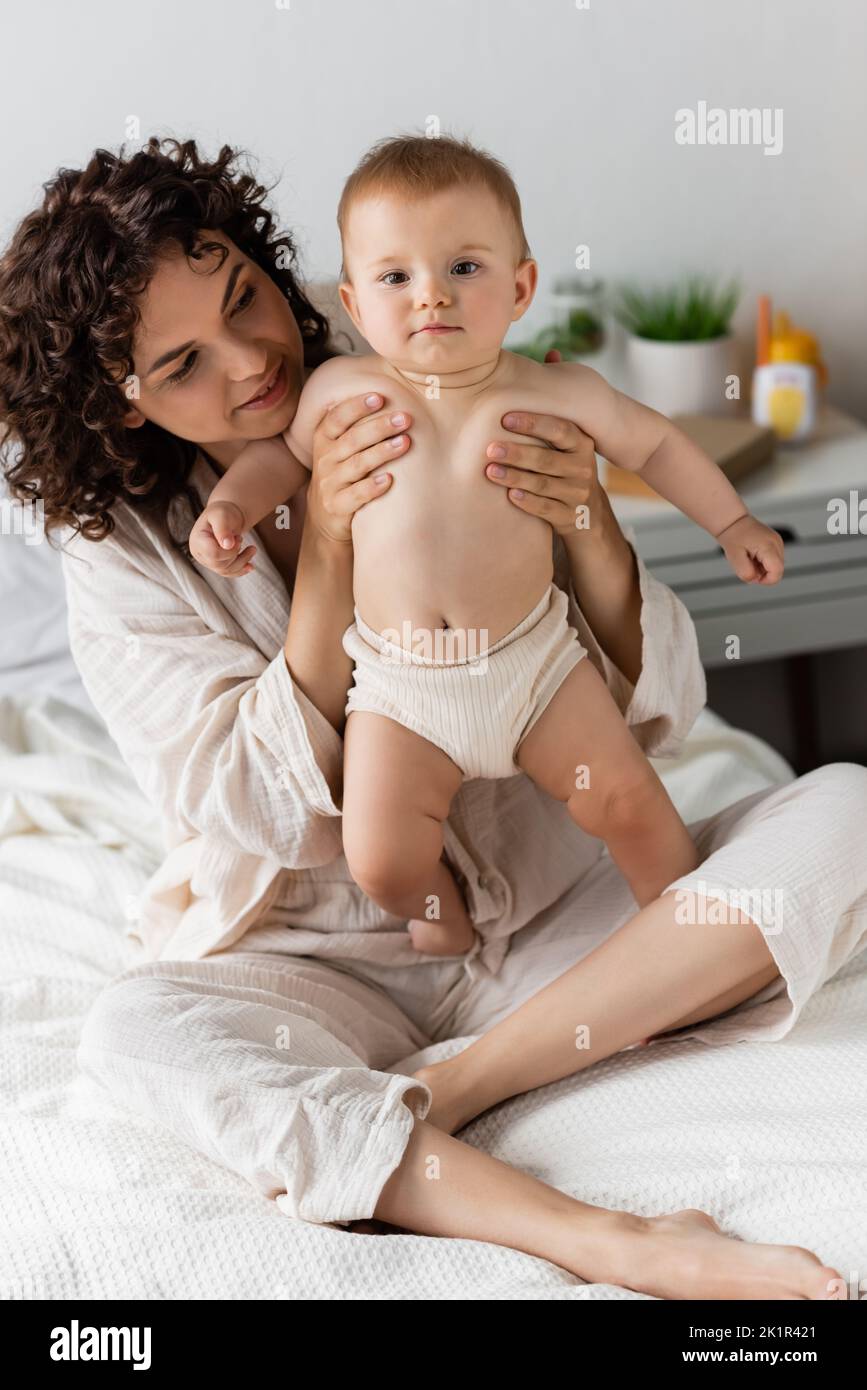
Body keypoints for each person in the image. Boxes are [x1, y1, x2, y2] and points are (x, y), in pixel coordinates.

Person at [2, 135, 865, 1299]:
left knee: (848, 812)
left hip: (560, 905)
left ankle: (460, 1083)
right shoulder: (121, 548)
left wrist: (593, 528)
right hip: (339, 954)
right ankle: (607, 1237)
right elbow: (247, 807)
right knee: (134, 1033)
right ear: (128, 399)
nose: (252, 356)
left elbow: (660, 699)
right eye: (185, 361)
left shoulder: (414, 341)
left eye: (247, 296)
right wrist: (330, 563)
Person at [189, 133, 783, 958]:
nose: (430, 296)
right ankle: (436, 909)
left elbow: (654, 446)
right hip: (398, 690)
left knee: (632, 804)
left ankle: (677, 929)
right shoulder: (340, 391)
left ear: (521, 286)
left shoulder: (555, 391)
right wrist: (226, 510)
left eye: (463, 268)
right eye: (397, 277)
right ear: (356, 305)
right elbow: (276, 460)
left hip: (534, 666)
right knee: (381, 856)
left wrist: (731, 523)